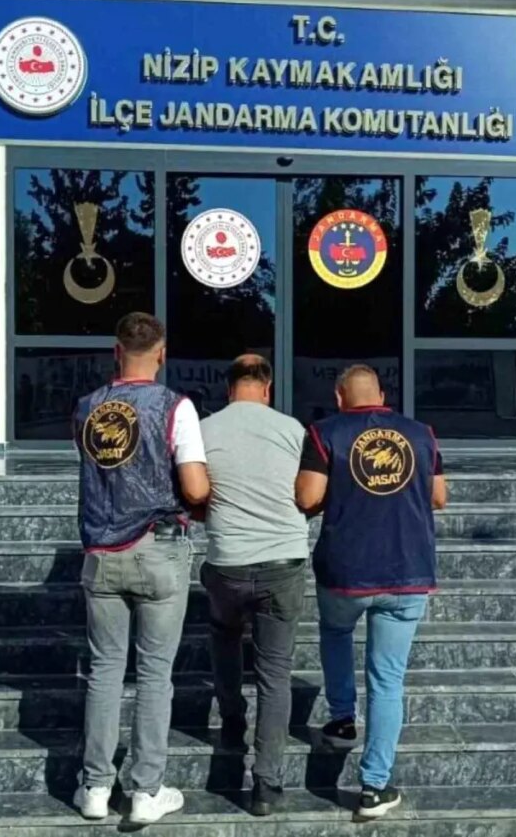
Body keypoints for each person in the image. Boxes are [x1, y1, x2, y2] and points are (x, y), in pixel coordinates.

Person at [71, 312, 210, 825]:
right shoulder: (176, 407)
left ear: (116, 351)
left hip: (101, 554)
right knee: (154, 675)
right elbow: (194, 486)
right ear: (162, 353)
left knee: (104, 671)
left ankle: (95, 787)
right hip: (158, 548)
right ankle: (146, 791)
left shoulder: (86, 408)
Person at [294, 364, 447, 820]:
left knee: (336, 632)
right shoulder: (421, 434)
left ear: (340, 397)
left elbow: (307, 498)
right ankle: (374, 788)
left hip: (346, 570)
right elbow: (438, 497)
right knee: (387, 680)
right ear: (381, 395)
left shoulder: (325, 432)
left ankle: (342, 719)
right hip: (407, 569)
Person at [198, 355, 309, 816]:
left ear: (229, 389)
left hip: (227, 561)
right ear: (267, 389)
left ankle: (230, 719)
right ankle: (266, 785)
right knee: (274, 674)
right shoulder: (293, 429)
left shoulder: (204, 429)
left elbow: (194, 492)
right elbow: (308, 493)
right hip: (283, 561)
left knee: (224, 634)